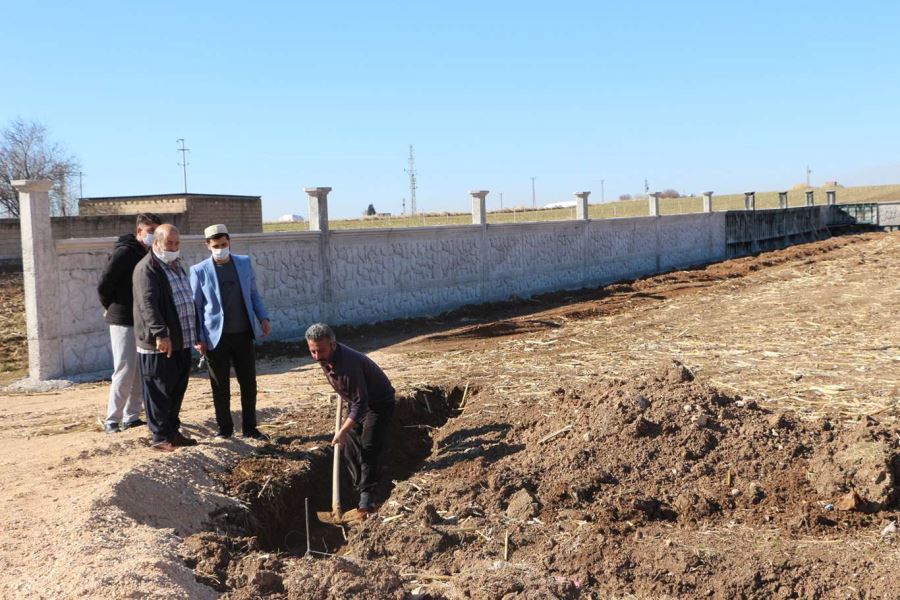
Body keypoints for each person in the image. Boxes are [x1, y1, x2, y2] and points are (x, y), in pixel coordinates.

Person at [190, 224, 271, 440]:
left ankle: (250, 428)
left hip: (243, 333)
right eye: (216, 245)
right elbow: (196, 307)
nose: (220, 249)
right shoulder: (199, 271)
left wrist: (263, 317)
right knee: (220, 386)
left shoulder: (243, 263)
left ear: (229, 242)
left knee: (248, 383)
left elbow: (254, 294)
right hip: (215, 338)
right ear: (208, 245)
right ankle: (225, 430)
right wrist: (198, 337)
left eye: (224, 244)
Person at [306, 323, 395, 516]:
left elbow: (362, 404)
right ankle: (361, 489)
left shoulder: (348, 365)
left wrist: (343, 429)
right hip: (357, 402)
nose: (316, 356)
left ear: (333, 345)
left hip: (379, 403)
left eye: (320, 351)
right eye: (312, 351)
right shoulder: (325, 358)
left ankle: (367, 502)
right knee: (350, 450)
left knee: (369, 447)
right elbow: (355, 399)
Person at [133, 223, 204, 452]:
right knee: (158, 390)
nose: (173, 247)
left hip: (181, 339)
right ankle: (160, 437)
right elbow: (148, 305)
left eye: (176, 243)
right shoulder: (147, 269)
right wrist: (160, 334)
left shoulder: (175, 265)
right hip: (160, 343)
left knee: (176, 388)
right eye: (168, 243)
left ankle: (172, 431)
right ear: (156, 243)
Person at [97, 212, 162, 434]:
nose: (153, 235)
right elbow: (105, 285)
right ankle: (112, 419)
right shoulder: (125, 252)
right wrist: (113, 308)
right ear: (139, 231)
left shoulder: (151, 253)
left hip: (143, 320)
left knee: (140, 369)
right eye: (149, 231)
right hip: (123, 319)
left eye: (156, 230)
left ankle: (132, 416)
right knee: (124, 368)